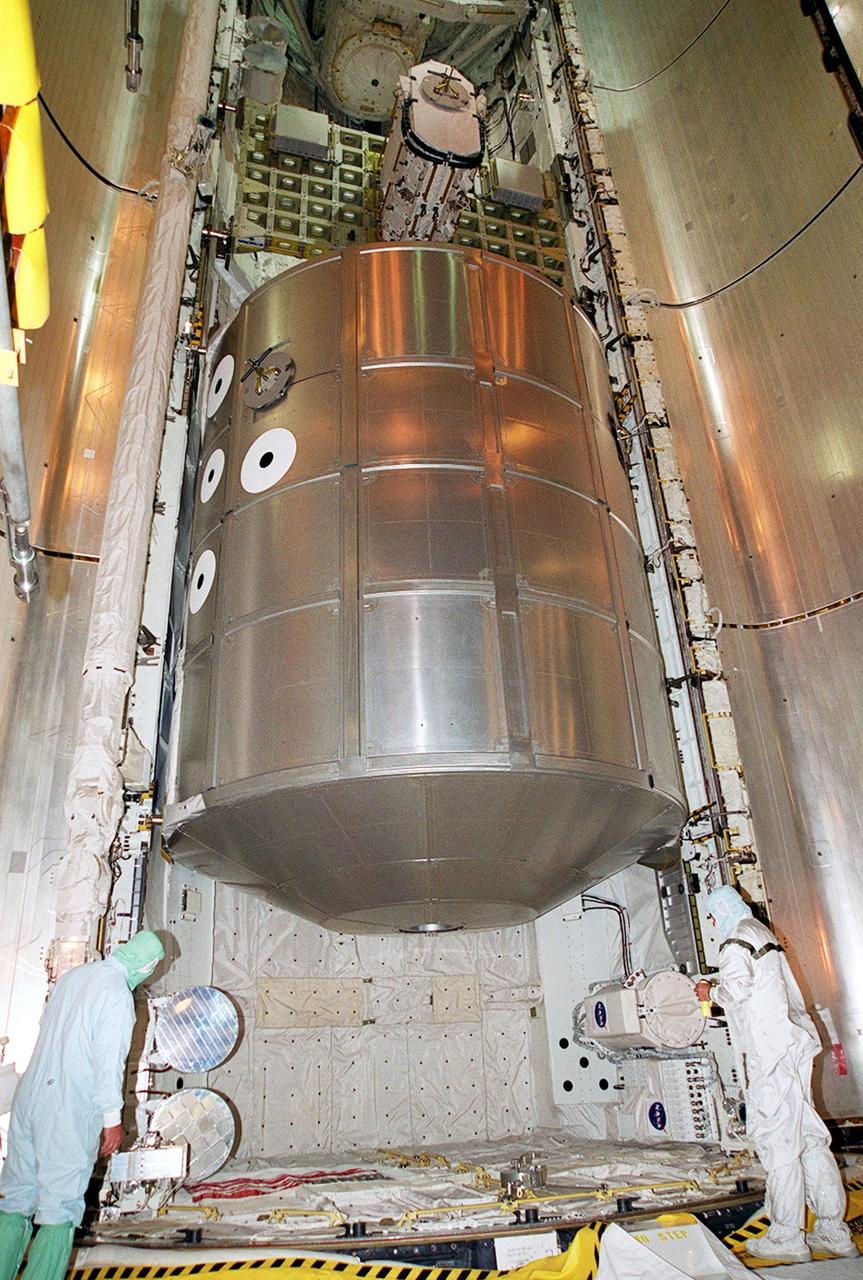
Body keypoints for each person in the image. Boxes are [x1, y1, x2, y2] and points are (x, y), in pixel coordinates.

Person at [696, 885, 857, 1263]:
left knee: (777, 1141)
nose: (715, 923)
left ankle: (787, 1235)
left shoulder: (735, 941)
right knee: (810, 1137)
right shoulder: (764, 934)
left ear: (720, 913)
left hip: (770, 1053)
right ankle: (833, 1231)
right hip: (794, 1043)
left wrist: (708, 991)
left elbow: (736, 989)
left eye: (713, 915)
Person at [0, 930, 165, 1280]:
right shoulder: (117, 996)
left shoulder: (74, 977)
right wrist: (112, 1120)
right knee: (59, 1211)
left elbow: (46, 1028)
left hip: (30, 1096)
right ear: (148, 967)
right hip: (66, 1109)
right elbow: (108, 1064)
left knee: (14, 1200)